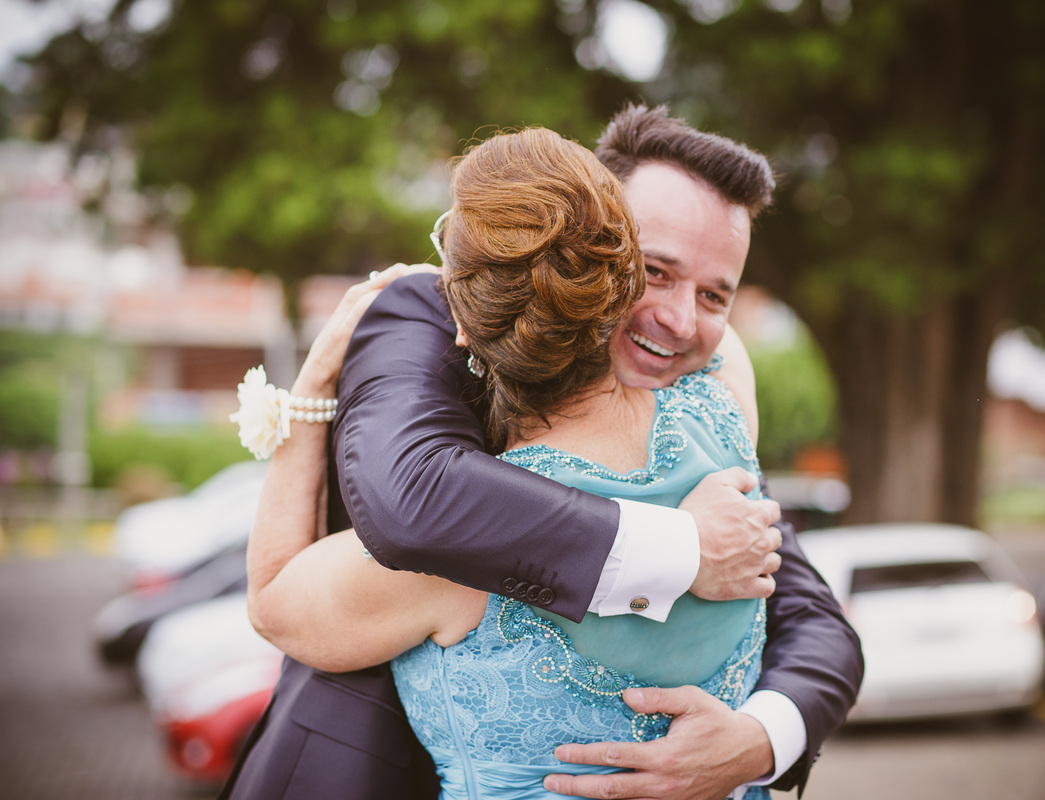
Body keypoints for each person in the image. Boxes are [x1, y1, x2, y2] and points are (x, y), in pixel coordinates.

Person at [221, 106, 862, 800]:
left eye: (714, 295)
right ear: (603, 248)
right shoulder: (726, 409)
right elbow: (413, 502)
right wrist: (683, 548)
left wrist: (759, 741)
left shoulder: (452, 569)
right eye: (656, 272)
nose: (681, 322)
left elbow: (274, 600)